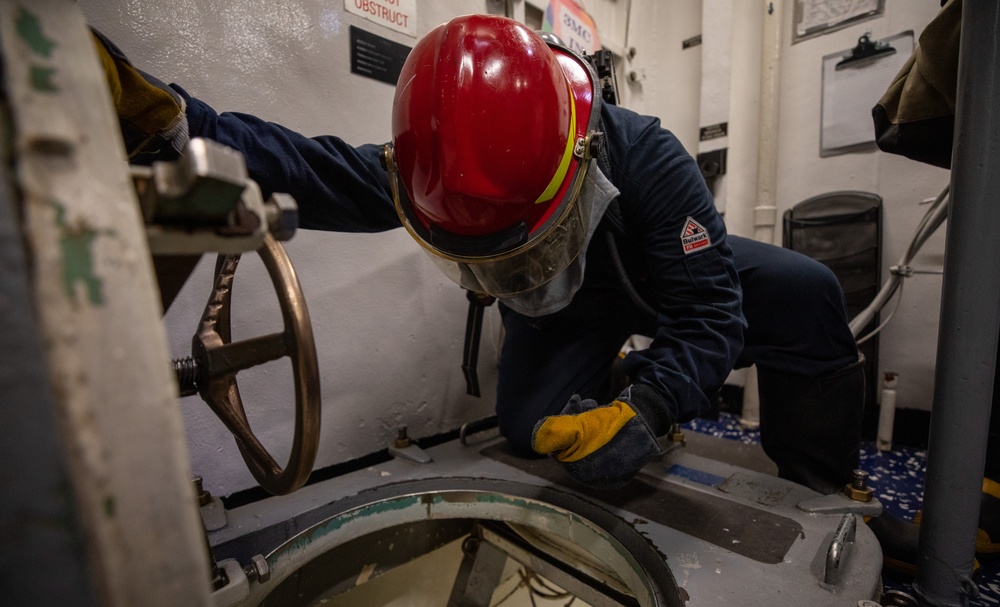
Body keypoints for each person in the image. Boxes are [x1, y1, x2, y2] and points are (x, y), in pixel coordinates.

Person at [96, 16, 869, 508]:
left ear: (577, 165)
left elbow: (708, 315)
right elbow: (308, 167)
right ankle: (619, 379)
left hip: (665, 269)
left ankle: (825, 480)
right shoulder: (429, 166)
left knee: (807, 293)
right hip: (571, 305)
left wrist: (656, 407)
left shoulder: (652, 158)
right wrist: (182, 129)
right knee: (530, 427)